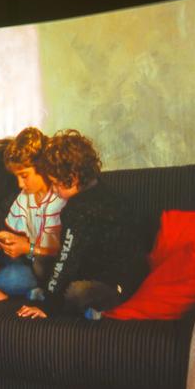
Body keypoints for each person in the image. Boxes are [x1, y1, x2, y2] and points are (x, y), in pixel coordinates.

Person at [16, 129, 149, 320]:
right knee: (40, 263)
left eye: (55, 183)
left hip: (116, 283)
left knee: (75, 292)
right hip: (98, 269)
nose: (53, 189)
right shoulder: (100, 188)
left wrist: (48, 307)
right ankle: (63, 298)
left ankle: (93, 306)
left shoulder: (79, 210)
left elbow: (67, 260)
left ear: (73, 177)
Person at [0, 127, 66, 303]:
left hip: (46, 266)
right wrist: (5, 239)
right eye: (16, 177)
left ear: (43, 167)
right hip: (24, 258)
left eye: (24, 176)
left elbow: (63, 254)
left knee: (10, 279)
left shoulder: (60, 198)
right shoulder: (25, 196)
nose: (20, 184)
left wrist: (27, 247)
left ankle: (18, 289)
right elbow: (18, 235)